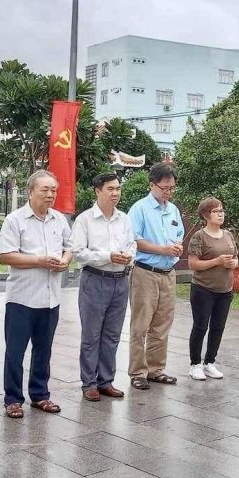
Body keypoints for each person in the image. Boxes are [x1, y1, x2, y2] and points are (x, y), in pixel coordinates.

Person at [0, 170, 72, 418]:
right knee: (15, 351)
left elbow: (70, 247)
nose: (50, 194)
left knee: (44, 349)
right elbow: (6, 255)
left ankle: (40, 394)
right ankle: (12, 398)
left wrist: (64, 260)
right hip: (22, 298)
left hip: (51, 298)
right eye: (45, 190)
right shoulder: (15, 220)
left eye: (53, 190)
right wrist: (40, 260)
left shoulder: (59, 219)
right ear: (30, 192)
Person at [71, 172, 135, 401]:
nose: (115, 193)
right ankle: (89, 383)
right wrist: (108, 256)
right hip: (95, 280)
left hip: (120, 281)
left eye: (118, 188)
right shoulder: (85, 219)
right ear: (97, 190)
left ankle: (106, 380)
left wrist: (128, 255)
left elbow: (132, 243)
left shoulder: (125, 219)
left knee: (112, 335)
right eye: (110, 189)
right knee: (91, 335)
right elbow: (79, 253)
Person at [127, 162, 185, 390]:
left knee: (162, 325)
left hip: (168, 273)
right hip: (146, 273)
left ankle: (156, 368)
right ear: (152, 185)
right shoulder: (139, 209)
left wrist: (177, 246)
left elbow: (178, 233)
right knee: (141, 325)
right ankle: (137, 372)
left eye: (172, 188)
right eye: (165, 188)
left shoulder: (173, 210)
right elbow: (134, 240)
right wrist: (162, 249)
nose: (168, 192)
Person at [187, 197, 238, 381]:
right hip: (204, 289)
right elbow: (193, 264)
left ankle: (210, 362)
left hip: (225, 290)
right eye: (216, 211)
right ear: (206, 215)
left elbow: (236, 257)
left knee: (218, 327)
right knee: (200, 327)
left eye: (222, 210)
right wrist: (217, 261)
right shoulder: (199, 237)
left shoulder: (228, 235)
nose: (220, 214)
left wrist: (233, 263)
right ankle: (195, 364)